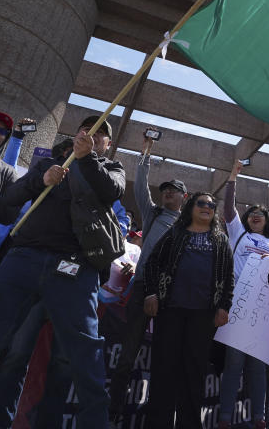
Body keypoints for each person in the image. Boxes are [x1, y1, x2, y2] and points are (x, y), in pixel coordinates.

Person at [0, 115, 125, 428]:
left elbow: (112, 191)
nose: (91, 134)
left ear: (107, 146)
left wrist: (87, 160)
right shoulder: (47, 165)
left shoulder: (108, 168)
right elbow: (9, 202)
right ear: (75, 134)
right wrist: (41, 181)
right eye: (86, 128)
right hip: (23, 258)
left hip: (75, 268)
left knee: (84, 354)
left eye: (101, 134)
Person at [108, 135, 187, 418]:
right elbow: (140, 185)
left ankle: (159, 415)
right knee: (128, 353)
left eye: (174, 190)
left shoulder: (191, 227)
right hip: (142, 289)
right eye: (165, 190)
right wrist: (146, 151)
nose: (167, 193)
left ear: (184, 197)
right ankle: (113, 409)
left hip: (173, 295)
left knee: (166, 357)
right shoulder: (153, 214)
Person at [143, 191, 233, 428]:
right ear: (191, 207)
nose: (207, 207)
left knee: (194, 373)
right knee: (164, 370)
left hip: (203, 316)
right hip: (170, 310)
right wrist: (152, 293)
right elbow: (153, 262)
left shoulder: (221, 239)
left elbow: (228, 277)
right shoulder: (175, 233)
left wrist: (224, 306)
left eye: (211, 204)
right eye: (201, 203)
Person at [217, 159, 269, 429]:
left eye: (260, 214)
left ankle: (259, 418)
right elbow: (228, 208)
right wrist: (233, 177)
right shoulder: (237, 232)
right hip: (236, 306)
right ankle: (226, 418)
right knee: (233, 365)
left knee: (257, 368)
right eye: (251, 213)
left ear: (267, 221)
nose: (255, 216)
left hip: (263, 310)